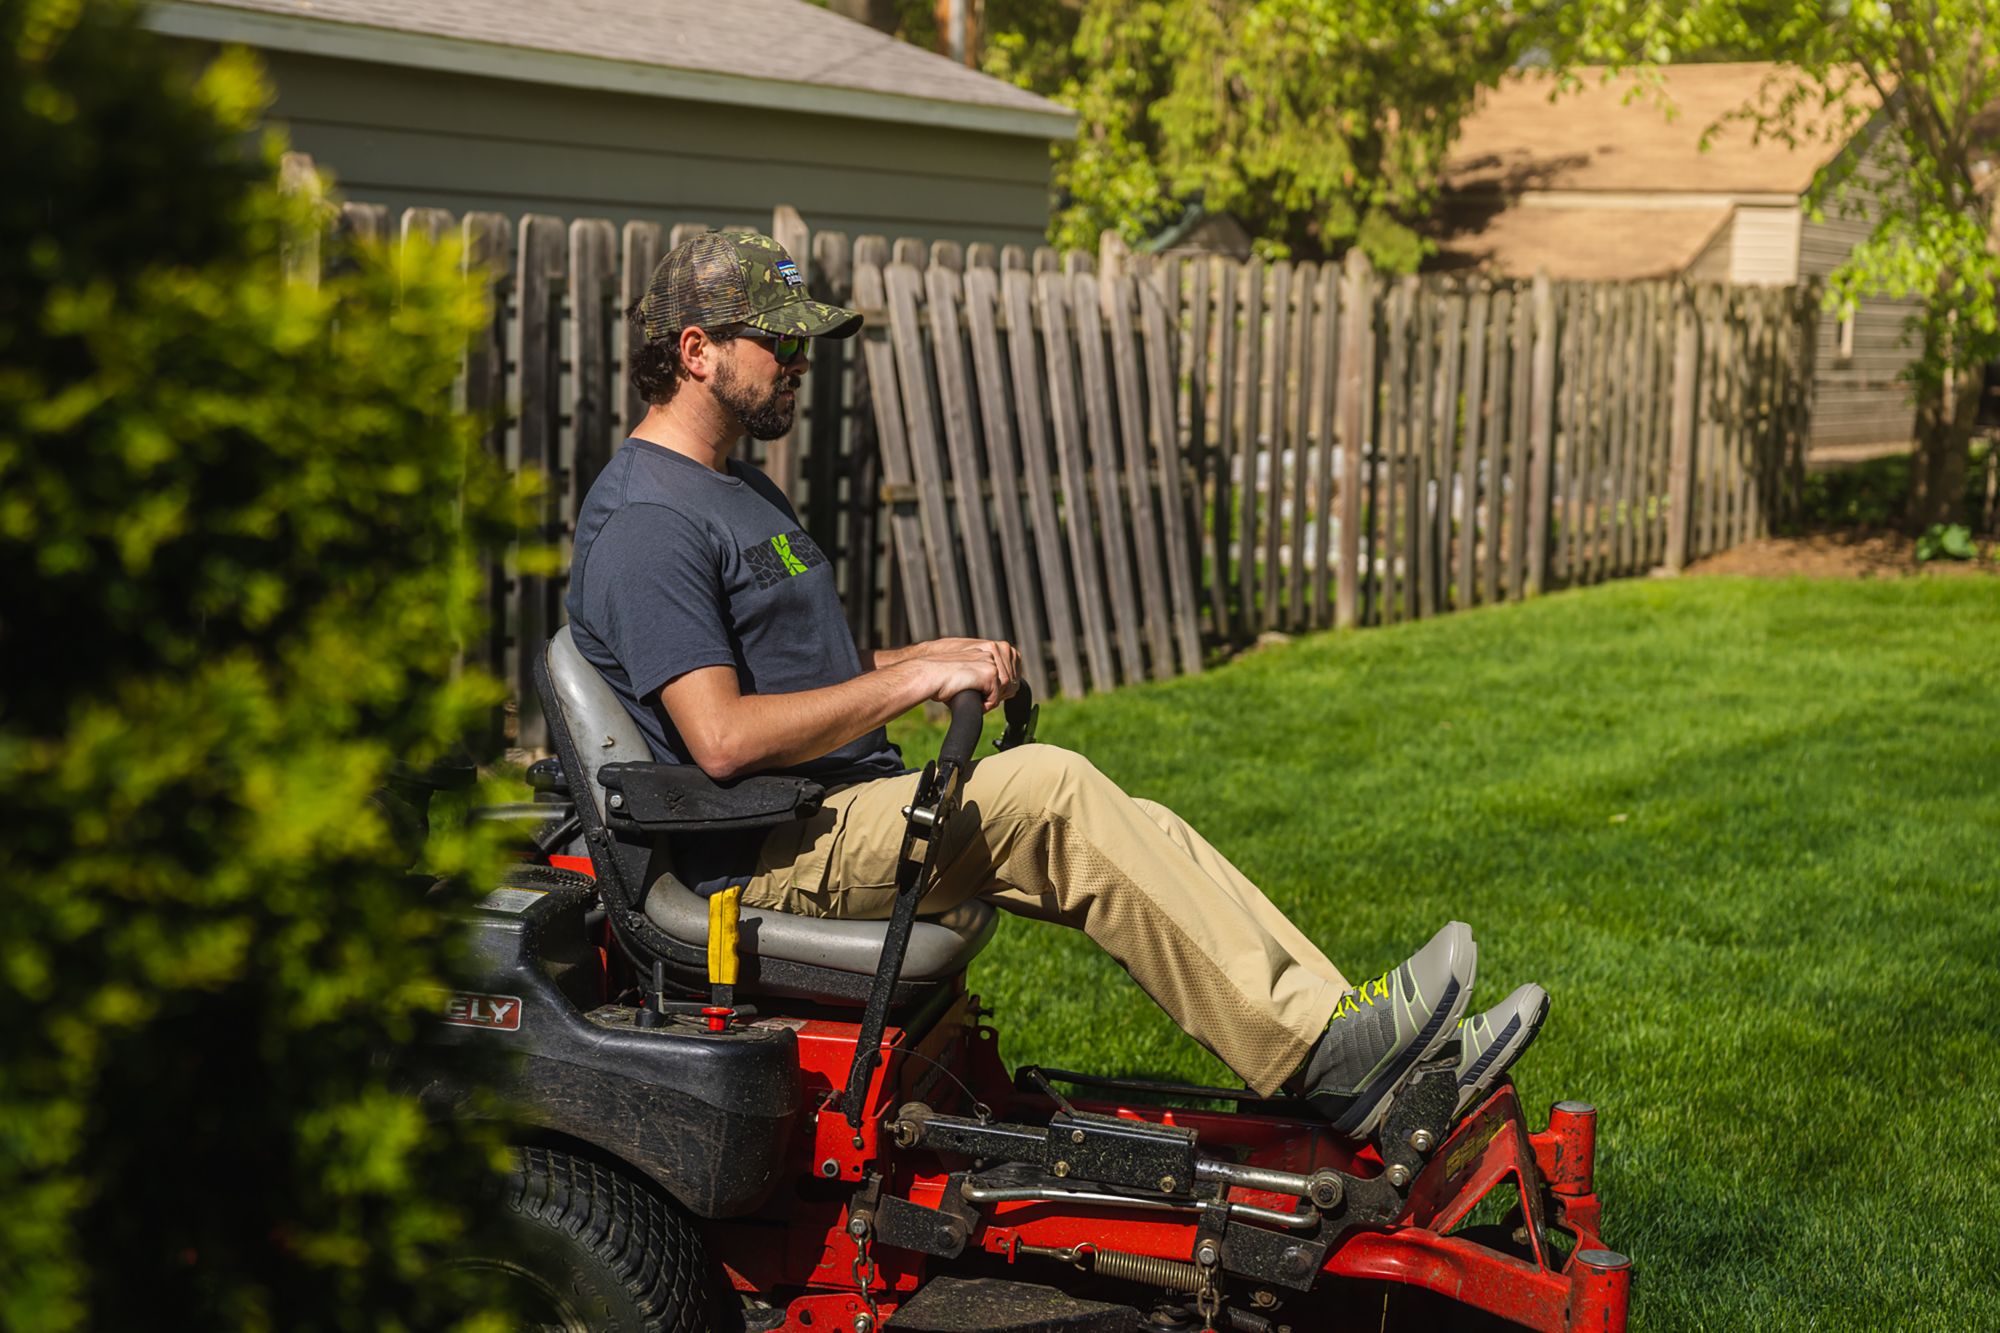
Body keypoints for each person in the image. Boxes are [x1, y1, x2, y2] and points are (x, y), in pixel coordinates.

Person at [564, 230, 1548, 1138]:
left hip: (819, 812)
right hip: (758, 862)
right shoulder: (651, 521)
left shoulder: (732, 487)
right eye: (778, 340)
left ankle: (1352, 1031)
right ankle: (1325, 1060)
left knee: (1143, 822)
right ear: (696, 352)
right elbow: (724, 736)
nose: (801, 360)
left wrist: (920, 659)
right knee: (1053, 793)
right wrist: (917, 685)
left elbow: (799, 676)